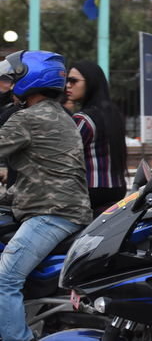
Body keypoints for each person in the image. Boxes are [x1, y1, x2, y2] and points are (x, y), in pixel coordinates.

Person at [0, 50, 91, 341]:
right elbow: (44, 171)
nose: (9, 86)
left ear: (29, 80)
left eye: (12, 79)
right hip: (61, 208)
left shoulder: (26, 119)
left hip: (51, 215)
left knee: (4, 280)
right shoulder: (59, 115)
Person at [65, 60, 128, 214]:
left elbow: (65, 154)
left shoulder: (83, 119)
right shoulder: (114, 114)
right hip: (117, 188)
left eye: (73, 81)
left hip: (90, 190)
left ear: (91, 83)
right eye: (67, 80)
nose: (67, 85)